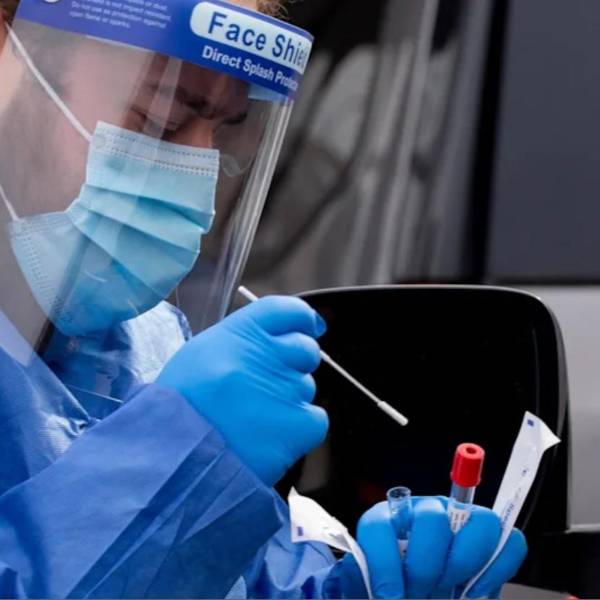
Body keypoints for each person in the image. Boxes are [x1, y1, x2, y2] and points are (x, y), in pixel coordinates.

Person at [0, 0, 527, 597]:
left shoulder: (143, 343)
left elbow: (240, 582)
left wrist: (363, 588)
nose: (196, 175)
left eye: (222, 133)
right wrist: (182, 467)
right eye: (161, 117)